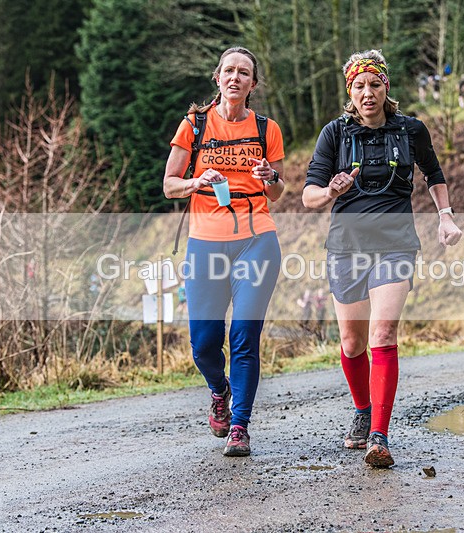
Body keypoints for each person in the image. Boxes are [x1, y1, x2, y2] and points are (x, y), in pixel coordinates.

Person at [302, 50, 462, 468]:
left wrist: (445, 218)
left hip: (395, 245)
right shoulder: (334, 134)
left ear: (386, 87)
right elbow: (308, 196)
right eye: (359, 86)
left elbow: (434, 174)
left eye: (374, 84)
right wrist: (332, 191)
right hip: (346, 248)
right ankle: (362, 410)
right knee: (352, 343)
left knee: (383, 334)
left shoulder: (411, 130)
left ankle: (379, 435)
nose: (367, 93)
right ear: (349, 92)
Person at [163, 46, 286, 457]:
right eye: (229, 71)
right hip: (206, 242)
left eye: (244, 73)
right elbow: (169, 184)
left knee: (243, 336)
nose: (235, 77)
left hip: (257, 240)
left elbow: (279, 190)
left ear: (253, 84)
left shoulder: (267, 128)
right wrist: (197, 181)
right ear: (217, 78)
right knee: (203, 343)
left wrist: (271, 178)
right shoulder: (195, 125)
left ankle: (239, 424)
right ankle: (220, 390)